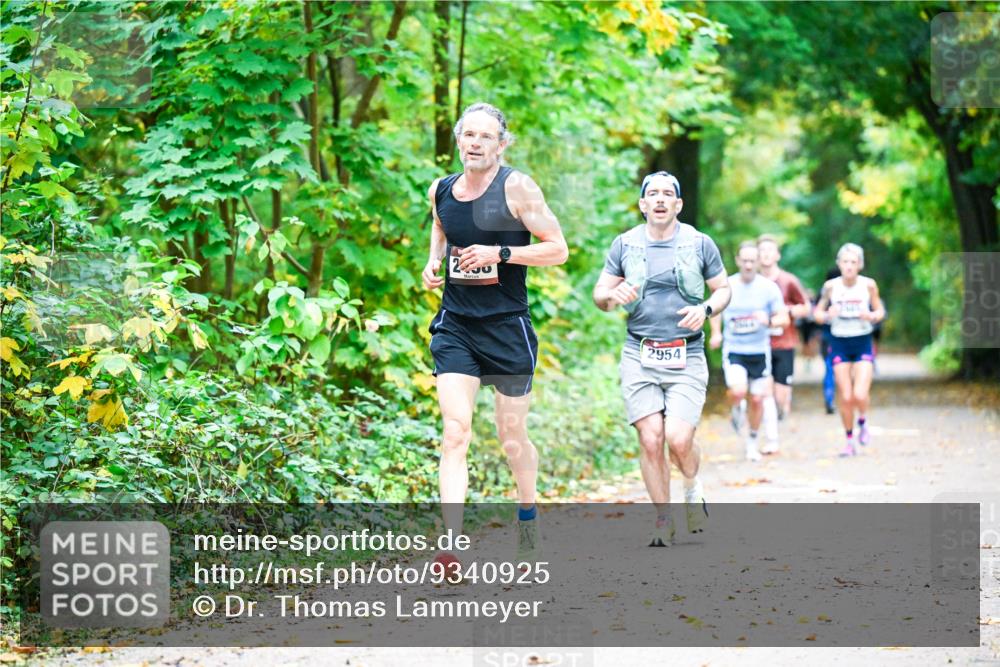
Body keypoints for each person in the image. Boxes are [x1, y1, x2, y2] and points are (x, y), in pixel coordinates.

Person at [422, 102, 568, 562]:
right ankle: (451, 544)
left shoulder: (517, 188)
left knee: (511, 438)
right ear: (458, 140)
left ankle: (527, 515)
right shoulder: (441, 189)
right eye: (469, 134)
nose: (475, 143)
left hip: (507, 329)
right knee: (455, 431)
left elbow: (558, 249)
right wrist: (433, 262)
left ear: (501, 145)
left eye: (486, 136)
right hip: (456, 326)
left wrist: (500, 254)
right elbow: (441, 228)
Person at [593, 171, 730, 546]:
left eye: (667, 194)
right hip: (639, 353)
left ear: (678, 204)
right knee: (651, 439)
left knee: (678, 439)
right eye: (652, 193)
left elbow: (723, 289)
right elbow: (600, 293)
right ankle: (662, 519)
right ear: (642, 204)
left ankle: (692, 485)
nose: (659, 199)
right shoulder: (625, 244)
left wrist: (705, 309)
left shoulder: (699, 243)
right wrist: (611, 296)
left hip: (687, 353)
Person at [709, 242, 789, 462]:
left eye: (752, 261)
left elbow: (783, 317)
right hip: (735, 349)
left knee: (757, 398)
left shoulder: (768, 288)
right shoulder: (727, 286)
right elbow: (715, 310)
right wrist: (716, 333)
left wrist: (769, 320)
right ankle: (735, 407)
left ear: (758, 262)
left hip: (759, 351)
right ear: (737, 261)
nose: (748, 265)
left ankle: (752, 441)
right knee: (738, 391)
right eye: (744, 260)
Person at [814, 244, 886, 457]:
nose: (849, 266)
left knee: (859, 394)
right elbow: (817, 313)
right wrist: (827, 315)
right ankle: (849, 440)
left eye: (853, 262)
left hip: (862, 341)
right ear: (839, 264)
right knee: (845, 396)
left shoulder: (868, 285)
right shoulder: (830, 287)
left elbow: (880, 311)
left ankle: (862, 421)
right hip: (839, 343)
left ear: (860, 265)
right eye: (845, 262)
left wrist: (871, 316)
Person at [756, 234, 810, 454]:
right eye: (762, 250)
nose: (766, 254)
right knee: (765, 392)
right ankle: (771, 438)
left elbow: (806, 307)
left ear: (777, 255)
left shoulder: (788, 281)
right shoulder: (752, 282)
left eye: (770, 250)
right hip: (758, 344)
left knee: (781, 396)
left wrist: (787, 311)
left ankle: (780, 412)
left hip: (784, 343)